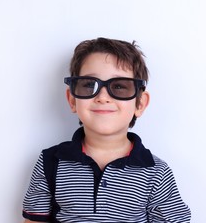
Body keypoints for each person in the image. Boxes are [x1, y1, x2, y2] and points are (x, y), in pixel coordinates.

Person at [22, 37, 191, 222]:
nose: (103, 97)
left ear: (140, 103)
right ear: (72, 100)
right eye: (89, 85)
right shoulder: (50, 162)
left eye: (119, 86)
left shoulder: (156, 172)